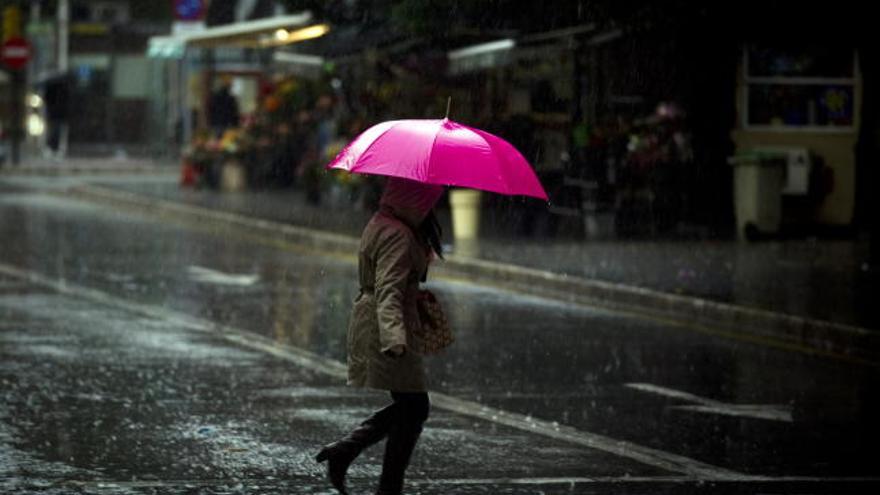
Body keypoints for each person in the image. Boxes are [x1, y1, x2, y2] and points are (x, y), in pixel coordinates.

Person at [316, 177, 445, 495]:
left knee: (411, 405)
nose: (430, 207)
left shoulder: (388, 222)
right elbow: (388, 291)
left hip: (384, 320)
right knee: (414, 406)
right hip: (385, 326)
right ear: (413, 198)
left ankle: (353, 456)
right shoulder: (397, 234)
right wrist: (393, 338)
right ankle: (378, 478)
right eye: (427, 200)